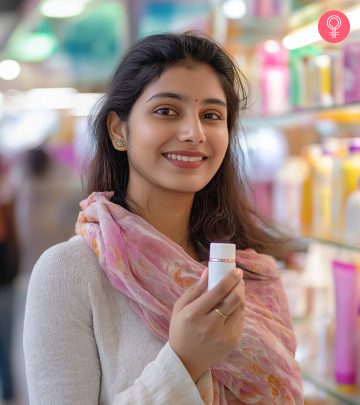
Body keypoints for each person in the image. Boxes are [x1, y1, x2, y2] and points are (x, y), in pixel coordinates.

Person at [23, 32, 303, 404]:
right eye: (166, 111)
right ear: (119, 130)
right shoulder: (69, 273)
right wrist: (183, 363)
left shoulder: (255, 275)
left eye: (211, 115)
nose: (193, 133)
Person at [0, 156, 18, 405]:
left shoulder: (5, 200)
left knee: (4, 336)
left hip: (5, 279)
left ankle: (9, 389)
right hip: (7, 277)